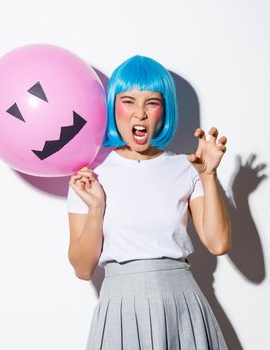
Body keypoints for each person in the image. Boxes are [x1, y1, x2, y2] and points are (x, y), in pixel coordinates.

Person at [67, 55, 230, 349]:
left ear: (164, 110)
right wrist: (95, 208)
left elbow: (218, 244)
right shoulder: (91, 176)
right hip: (119, 309)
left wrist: (208, 175)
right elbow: (83, 269)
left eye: (151, 102)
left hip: (181, 304)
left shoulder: (185, 167)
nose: (139, 114)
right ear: (113, 106)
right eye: (128, 101)